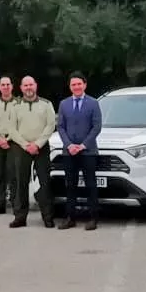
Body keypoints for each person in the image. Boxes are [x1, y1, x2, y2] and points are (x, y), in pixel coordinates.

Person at [8, 76, 56, 229]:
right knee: (21, 183)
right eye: (25, 85)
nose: (28, 88)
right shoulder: (15, 107)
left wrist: (38, 144)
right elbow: (11, 129)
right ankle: (20, 217)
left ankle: (48, 217)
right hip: (21, 148)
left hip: (41, 147)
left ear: (36, 86)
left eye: (31, 84)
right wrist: (25, 144)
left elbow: (50, 125)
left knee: (44, 182)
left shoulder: (46, 104)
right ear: (21, 88)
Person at [57, 72, 103, 231]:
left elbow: (97, 126)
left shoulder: (93, 103)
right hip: (69, 151)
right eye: (73, 84)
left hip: (88, 151)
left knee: (90, 184)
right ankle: (70, 217)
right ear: (70, 87)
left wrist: (83, 145)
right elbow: (60, 127)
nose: (76, 87)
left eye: (79, 84)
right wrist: (69, 145)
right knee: (70, 185)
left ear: (84, 85)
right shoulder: (64, 104)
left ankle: (93, 218)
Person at [0, 77, 20, 214]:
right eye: (3, 84)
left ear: (12, 86)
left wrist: (8, 139)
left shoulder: (18, 104)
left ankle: (15, 202)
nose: (6, 87)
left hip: (13, 142)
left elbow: (19, 124)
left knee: (13, 174)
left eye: (8, 84)